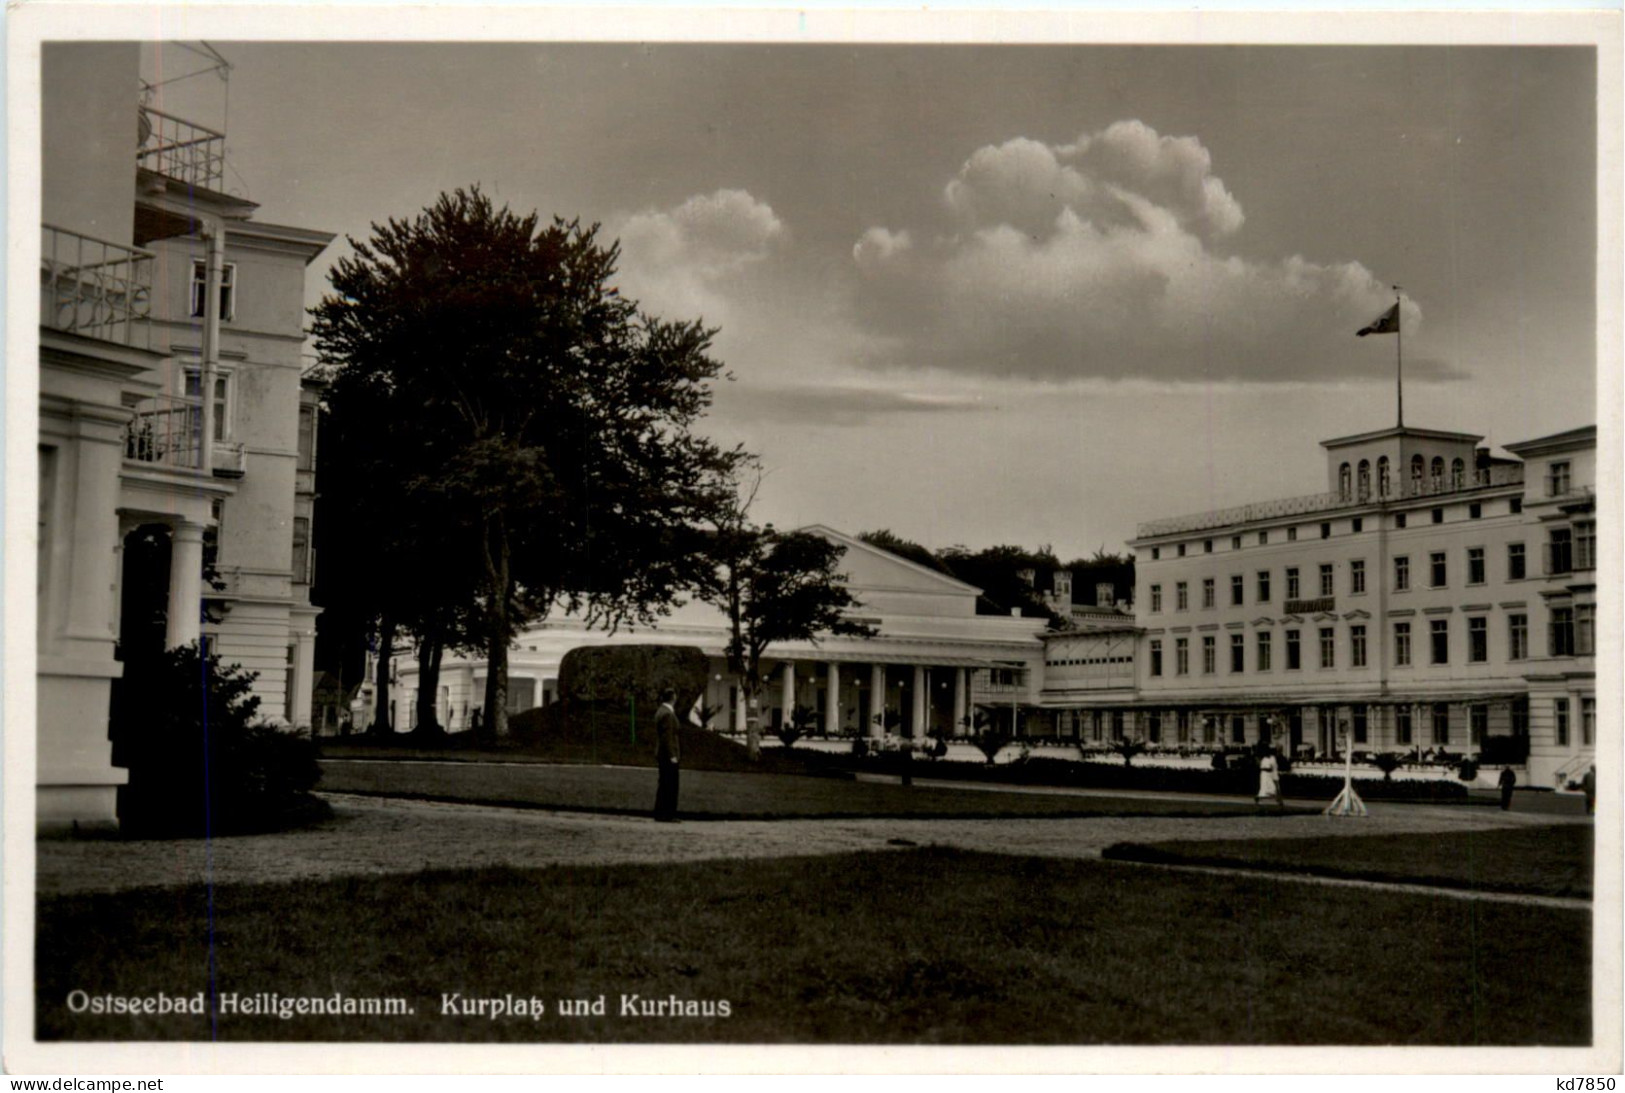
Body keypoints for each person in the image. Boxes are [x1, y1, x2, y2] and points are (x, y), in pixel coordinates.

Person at [652, 687, 682, 822]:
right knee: (671, 784)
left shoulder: (661, 712)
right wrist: (672, 755)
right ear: (673, 698)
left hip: (662, 753)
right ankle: (668, 813)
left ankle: (660, 812)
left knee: (663, 783)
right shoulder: (668, 715)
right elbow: (668, 737)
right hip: (668, 754)